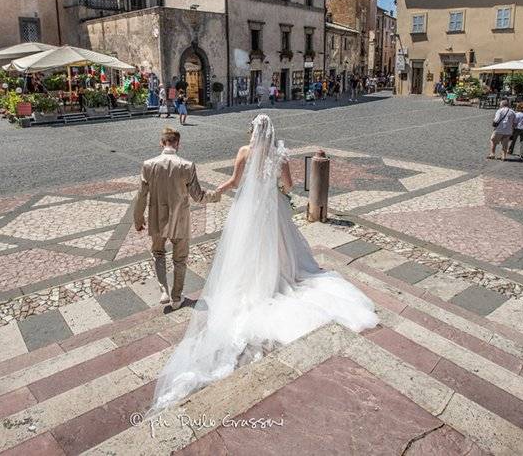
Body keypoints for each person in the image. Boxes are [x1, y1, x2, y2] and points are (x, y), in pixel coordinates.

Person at [149, 115, 377, 413]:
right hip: (272, 209)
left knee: (245, 250)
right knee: (280, 248)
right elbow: (289, 185)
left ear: (252, 133)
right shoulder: (279, 155)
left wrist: (212, 194)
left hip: (247, 211)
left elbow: (233, 182)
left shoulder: (245, 152)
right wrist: (280, 193)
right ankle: (276, 278)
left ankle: (252, 282)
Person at [134, 127, 219, 310]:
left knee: (158, 253)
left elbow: (141, 195)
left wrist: (138, 218)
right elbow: (197, 195)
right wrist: (216, 195)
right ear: (178, 143)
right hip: (180, 219)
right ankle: (177, 297)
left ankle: (163, 290)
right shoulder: (187, 165)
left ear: (161, 142)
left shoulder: (148, 164)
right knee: (180, 259)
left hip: (157, 217)